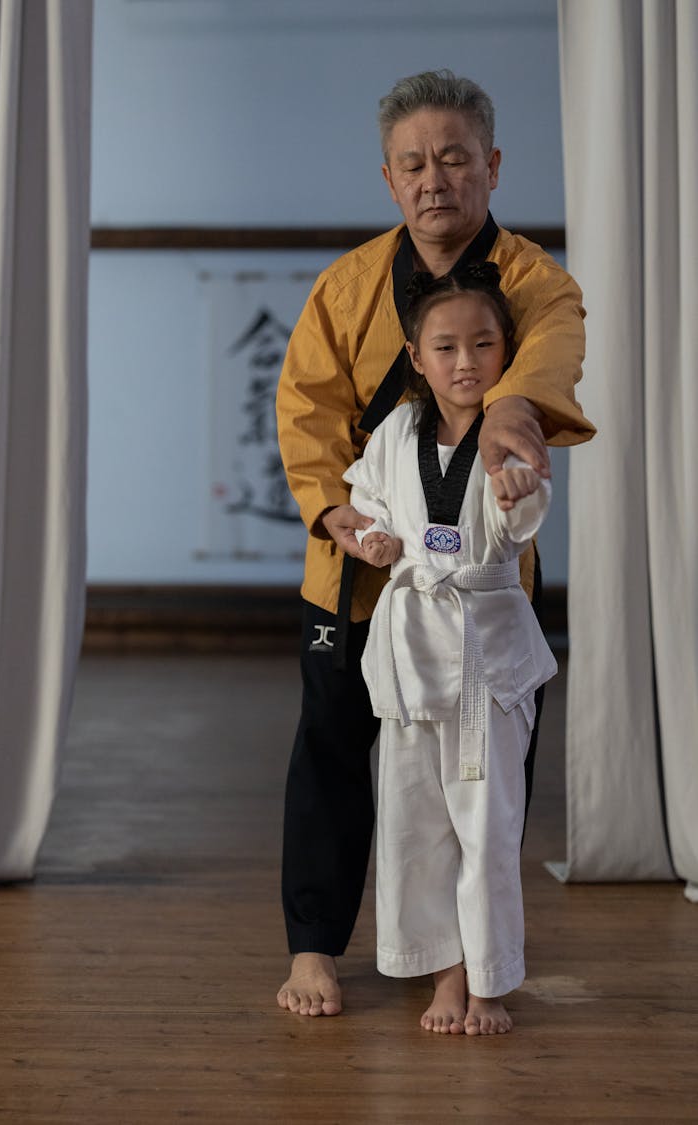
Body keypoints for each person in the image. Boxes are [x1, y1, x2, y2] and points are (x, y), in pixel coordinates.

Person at [275, 68, 595, 1018]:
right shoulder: (350, 285)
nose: (434, 179)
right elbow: (307, 406)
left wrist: (508, 413)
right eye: (413, 163)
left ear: (492, 166)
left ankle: (466, 962)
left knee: (484, 780)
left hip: (483, 582)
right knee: (332, 747)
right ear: (388, 178)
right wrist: (332, 511)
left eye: (455, 158)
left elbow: (547, 359)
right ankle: (313, 947)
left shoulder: (540, 284)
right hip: (361, 562)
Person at [343, 261, 556, 1035]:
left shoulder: (508, 433)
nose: (465, 362)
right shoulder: (396, 434)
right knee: (413, 827)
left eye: (483, 344)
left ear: (507, 351)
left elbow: (527, 503)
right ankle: (444, 973)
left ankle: (490, 981)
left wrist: (515, 489)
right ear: (416, 354)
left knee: (487, 825)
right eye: (446, 346)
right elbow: (367, 501)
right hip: (410, 653)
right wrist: (370, 538)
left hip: (485, 658)